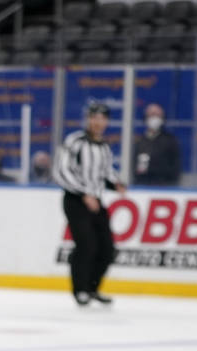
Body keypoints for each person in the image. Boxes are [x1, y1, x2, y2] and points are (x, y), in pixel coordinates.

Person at [54, 101, 127, 306]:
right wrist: (83, 192)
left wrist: (117, 184)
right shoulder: (75, 141)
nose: (98, 122)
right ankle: (80, 290)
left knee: (106, 248)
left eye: (102, 118)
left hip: (95, 201)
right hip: (75, 200)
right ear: (88, 119)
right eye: (94, 117)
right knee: (86, 244)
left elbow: (105, 173)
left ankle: (93, 288)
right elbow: (61, 171)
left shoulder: (103, 147)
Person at [133, 102, 181, 186]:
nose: (154, 118)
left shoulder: (170, 140)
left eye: (157, 115)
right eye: (151, 114)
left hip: (165, 186)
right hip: (143, 185)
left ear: (162, 118)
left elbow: (176, 168)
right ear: (145, 117)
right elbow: (135, 167)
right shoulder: (140, 141)